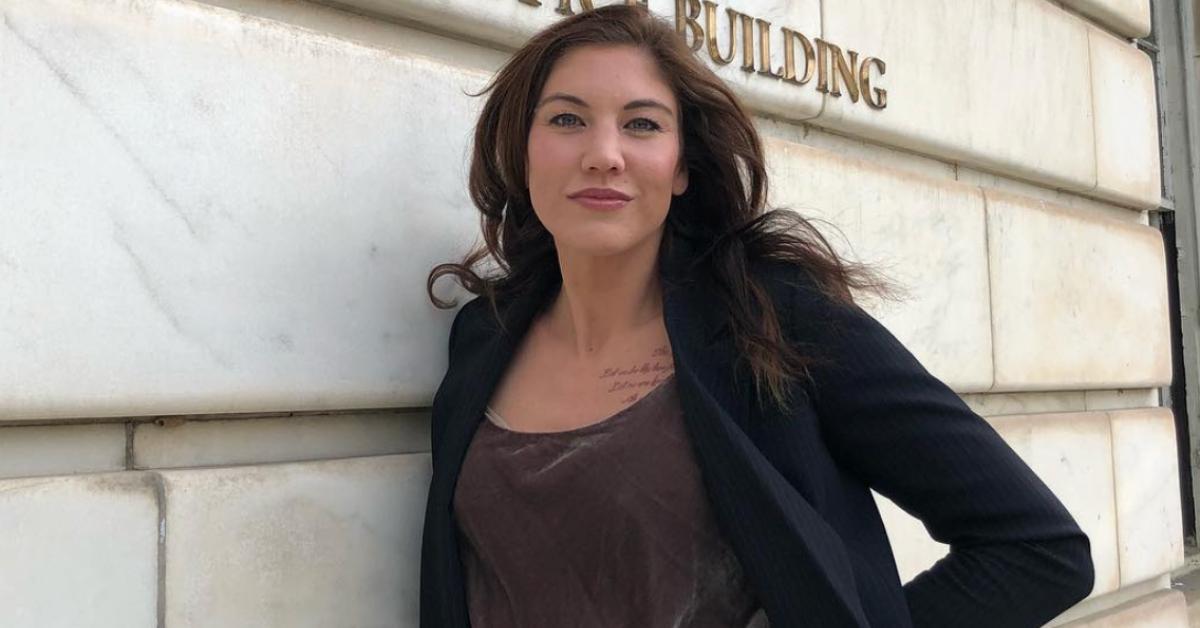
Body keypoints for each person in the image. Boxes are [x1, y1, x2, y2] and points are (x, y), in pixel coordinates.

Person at [421, 4, 1094, 627]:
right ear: (523, 148)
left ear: (681, 166)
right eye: (567, 119)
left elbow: (1039, 549)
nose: (605, 152)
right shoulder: (484, 338)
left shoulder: (770, 319)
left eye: (643, 123)